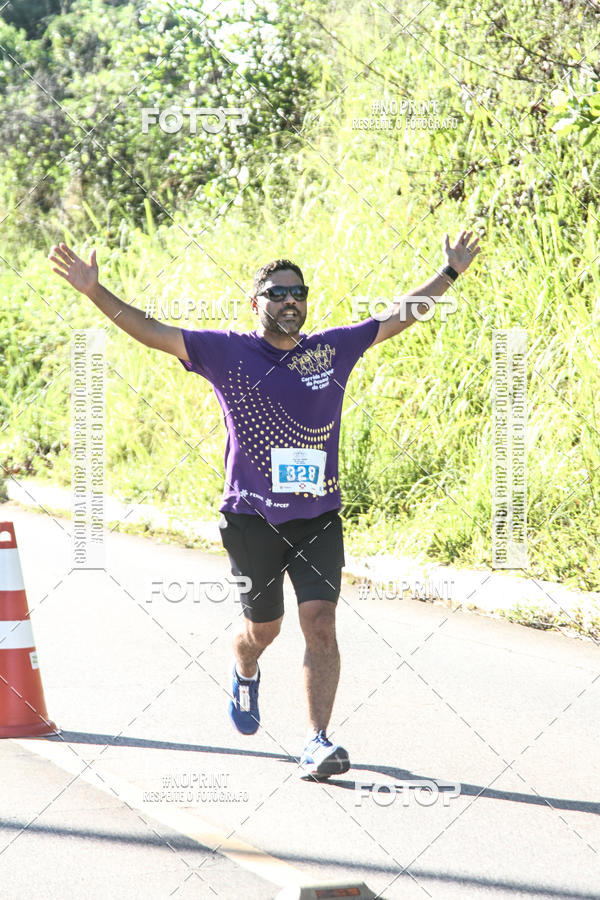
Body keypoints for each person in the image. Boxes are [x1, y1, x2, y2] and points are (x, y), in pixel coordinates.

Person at [48, 230, 480, 780]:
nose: (289, 300)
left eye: (298, 292)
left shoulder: (331, 349)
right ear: (256, 304)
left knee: (320, 624)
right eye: (277, 293)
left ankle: (317, 741)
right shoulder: (226, 351)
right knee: (264, 629)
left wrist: (449, 274)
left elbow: (398, 316)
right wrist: (95, 292)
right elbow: (152, 332)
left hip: (318, 516)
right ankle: (244, 665)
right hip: (251, 518)